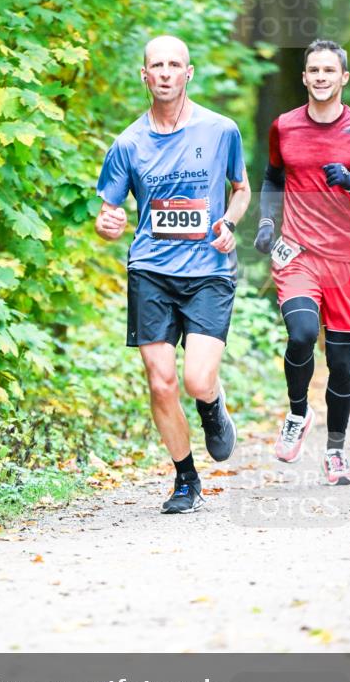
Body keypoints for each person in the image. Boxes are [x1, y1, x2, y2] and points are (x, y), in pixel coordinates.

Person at [95, 34, 251, 514]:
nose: (165, 73)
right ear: (144, 75)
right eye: (156, 66)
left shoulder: (221, 130)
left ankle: (212, 405)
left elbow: (241, 189)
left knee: (196, 380)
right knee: (160, 380)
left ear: (188, 73)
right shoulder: (127, 144)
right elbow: (107, 215)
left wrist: (229, 222)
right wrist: (107, 225)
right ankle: (186, 480)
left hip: (207, 270)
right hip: (151, 270)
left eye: (173, 65)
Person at [254, 38, 350, 486]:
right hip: (297, 254)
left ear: (343, 77)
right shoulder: (284, 127)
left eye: (329, 70)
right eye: (313, 70)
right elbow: (273, 177)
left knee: (341, 362)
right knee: (301, 334)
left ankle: (335, 451)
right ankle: (298, 413)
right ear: (304, 77)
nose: (320, 77)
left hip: (344, 260)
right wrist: (266, 222)